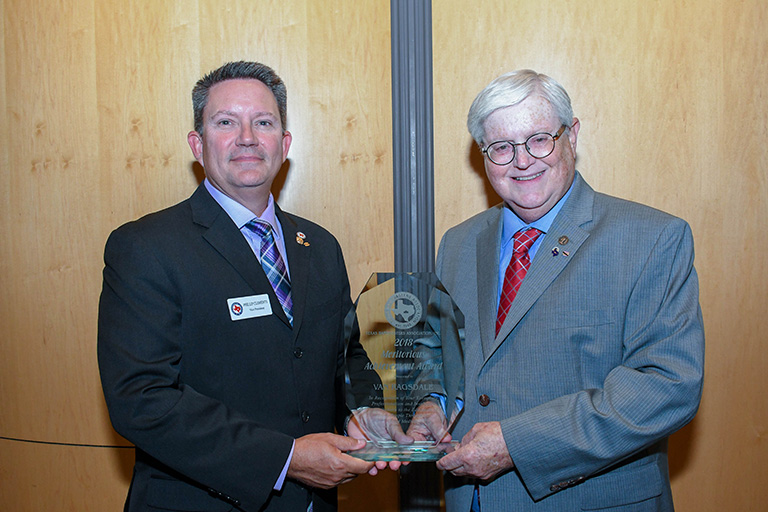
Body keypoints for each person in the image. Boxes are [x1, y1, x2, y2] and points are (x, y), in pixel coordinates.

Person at [97, 61, 400, 512]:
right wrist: (286, 458)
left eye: (263, 122)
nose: (247, 137)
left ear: (284, 143)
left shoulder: (320, 245)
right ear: (197, 145)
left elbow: (345, 357)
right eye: (226, 122)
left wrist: (364, 412)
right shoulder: (145, 248)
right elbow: (142, 400)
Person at [429, 70, 705, 511]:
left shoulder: (651, 239)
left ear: (571, 136)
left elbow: (666, 387)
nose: (522, 161)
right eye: (501, 147)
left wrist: (516, 444)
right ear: (483, 155)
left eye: (539, 139)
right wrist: (428, 407)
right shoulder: (458, 244)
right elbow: (445, 363)